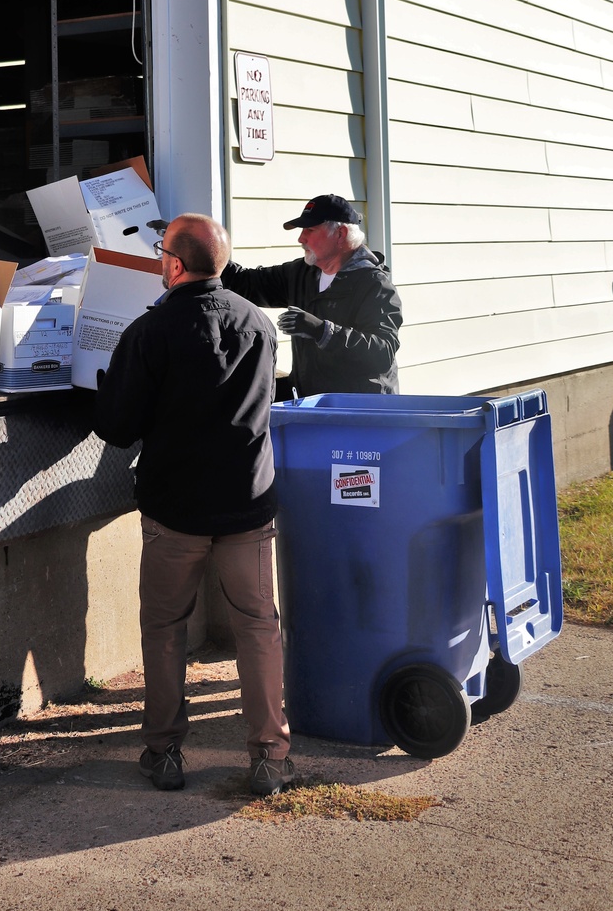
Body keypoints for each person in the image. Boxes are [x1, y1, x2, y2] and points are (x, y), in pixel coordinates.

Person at [93, 212, 293, 797]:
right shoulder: (258, 323)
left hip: (175, 510)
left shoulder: (149, 332)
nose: (159, 260)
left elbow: (119, 427)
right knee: (259, 628)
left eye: (161, 252)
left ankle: (164, 752)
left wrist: (103, 388)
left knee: (164, 629)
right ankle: (270, 757)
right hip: (248, 505)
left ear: (175, 264)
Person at [221, 194, 400, 397]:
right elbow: (246, 283)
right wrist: (204, 250)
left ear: (340, 234)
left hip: (361, 411)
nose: (301, 238)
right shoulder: (302, 273)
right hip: (314, 404)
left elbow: (382, 353)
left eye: (310, 230)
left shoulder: (374, 284)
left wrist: (321, 330)